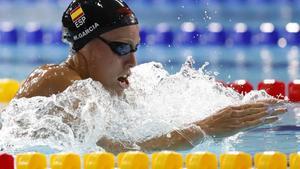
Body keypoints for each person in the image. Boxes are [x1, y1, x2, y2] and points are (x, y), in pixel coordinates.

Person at [14, 0, 286, 153]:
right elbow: (122, 154)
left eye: (134, 48)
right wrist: (207, 128)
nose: (132, 61)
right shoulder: (58, 81)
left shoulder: (102, 86)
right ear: (85, 46)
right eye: (121, 48)